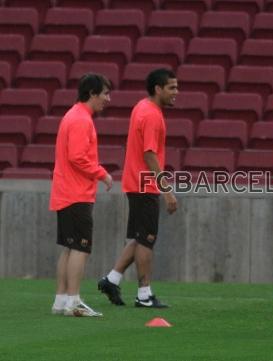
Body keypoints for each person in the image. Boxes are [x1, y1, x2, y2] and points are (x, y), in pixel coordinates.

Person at [98, 68, 178, 308]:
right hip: (145, 184)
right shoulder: (152, 115)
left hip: (135, 181)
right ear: (158, 89)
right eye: (172, 88)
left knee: (139, 237)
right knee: (147, 240)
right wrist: (167, 190)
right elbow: (150, 154)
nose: (176, 92)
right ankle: (144, 295)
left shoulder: (141, 107)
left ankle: (111, 279)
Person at [50, 73, 113, 317]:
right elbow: (77, 157)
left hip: (66, 191)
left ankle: (61, 300)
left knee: (69, 247)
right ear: (92, 94)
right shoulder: (81, 120)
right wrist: (102, 173)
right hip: (76, 193)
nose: (108, 99)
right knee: (81, 248)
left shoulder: (73, 116)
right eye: (105, 93)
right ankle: (74, 301)